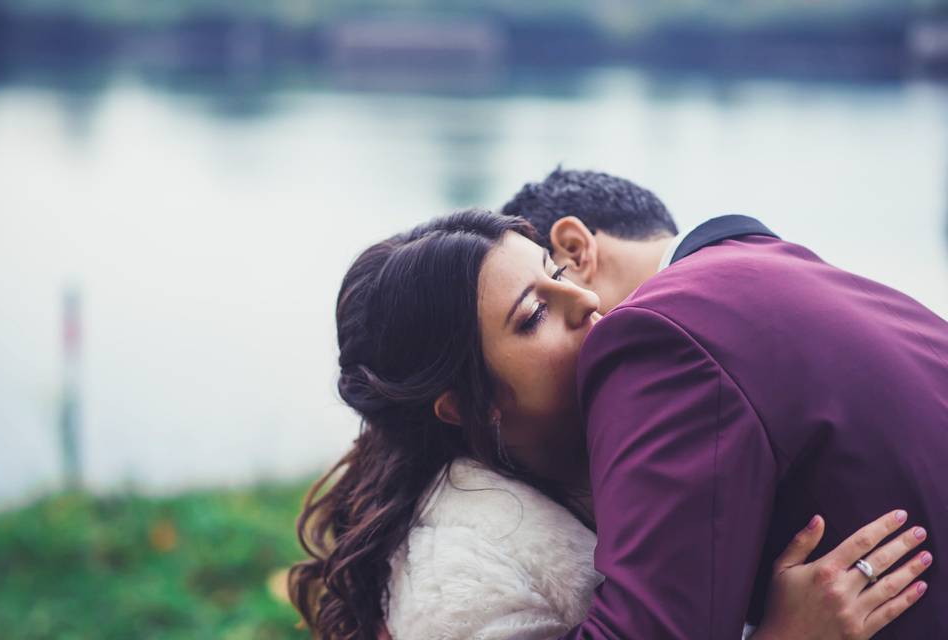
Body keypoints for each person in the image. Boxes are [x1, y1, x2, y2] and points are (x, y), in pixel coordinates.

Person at [288, 210, 932, 640]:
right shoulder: (463, 566)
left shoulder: (613, 443)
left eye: (558, 273)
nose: (590, 300)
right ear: (461, 405)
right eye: (534, 312)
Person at [501, 168, 948, 637]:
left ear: (574, 249)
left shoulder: (658, 331)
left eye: (537, 310)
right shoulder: (789, 277)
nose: (582, 306)